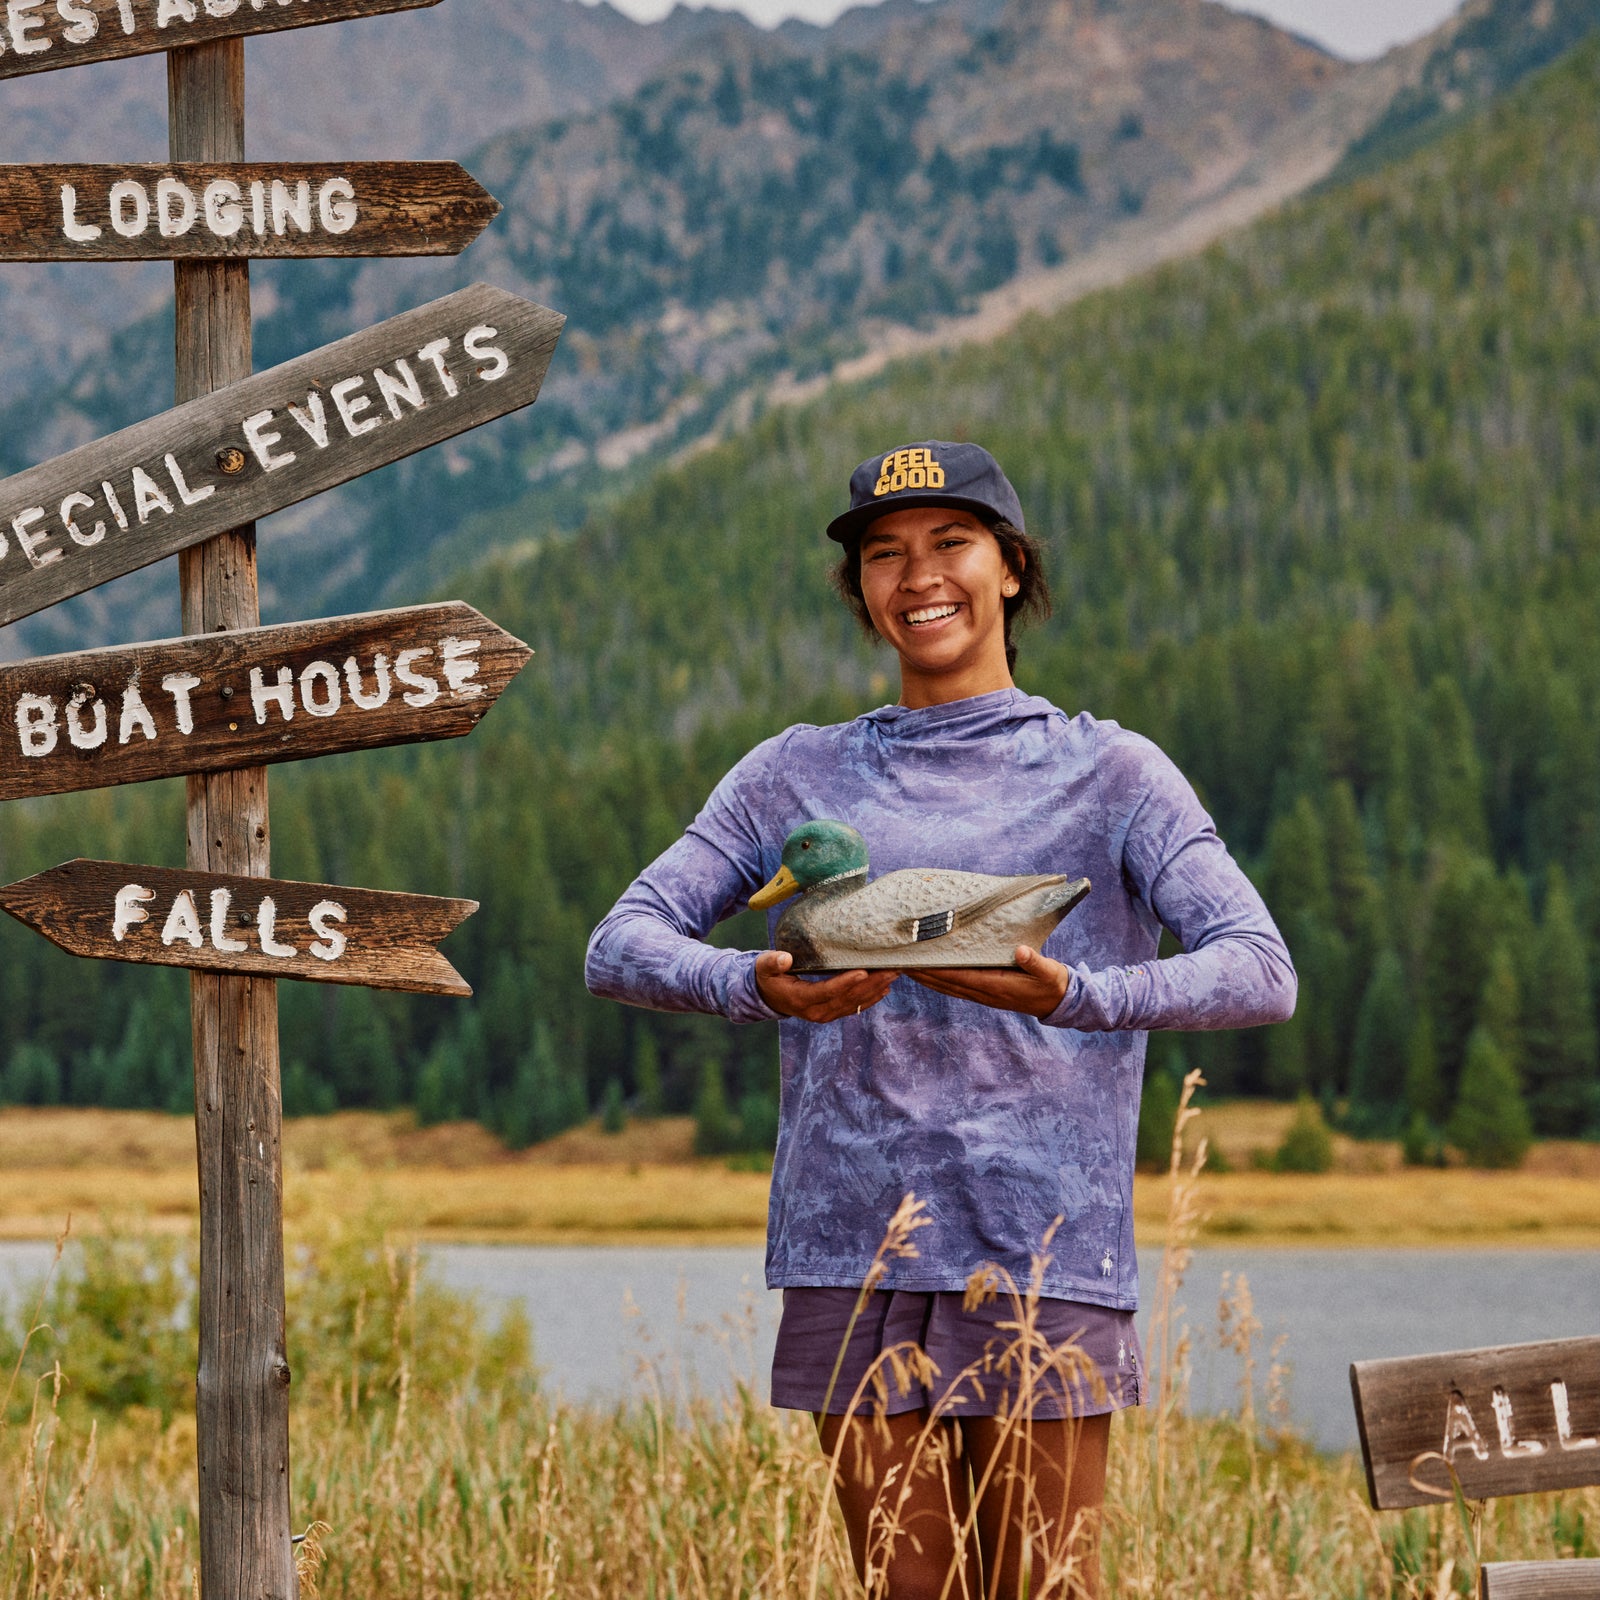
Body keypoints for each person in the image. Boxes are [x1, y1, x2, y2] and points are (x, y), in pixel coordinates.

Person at [585, 441, 1296, 1599]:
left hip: (1044, 1252)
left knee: (1045, 1590)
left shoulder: (1113, 772)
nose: (918, 575)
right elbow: (619, 942)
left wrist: (1081, 996)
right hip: (850, 1253)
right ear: (860, 588)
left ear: (1009, 568)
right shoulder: (790, 773)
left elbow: (1261, 969)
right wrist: (754, 982)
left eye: (950, 542)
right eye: (884, 554)